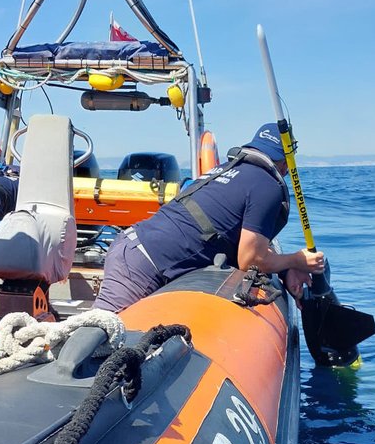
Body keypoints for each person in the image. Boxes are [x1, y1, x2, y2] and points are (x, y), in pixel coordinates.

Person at [93, 122, 325, 312]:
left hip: (133, 247)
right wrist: (297, 260)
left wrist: (284, 270)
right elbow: (249, 259)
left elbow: (241, 239)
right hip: (142, 265)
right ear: (287, 162)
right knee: (98, 339)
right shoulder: (267, 185)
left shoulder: (227, 171)